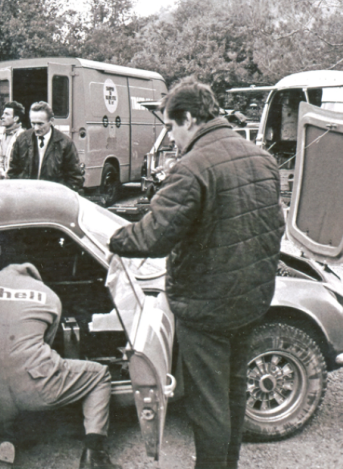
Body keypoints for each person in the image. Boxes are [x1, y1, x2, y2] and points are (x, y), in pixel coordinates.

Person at [108, 79, 286, 469]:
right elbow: (276, 228)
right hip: (250, 300)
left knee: (208, 409)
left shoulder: (192, 166)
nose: (171, 137)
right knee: (233, 395)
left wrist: (114, 236)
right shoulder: (261, 157)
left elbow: (155, 236)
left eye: (171, 127)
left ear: (188, 119)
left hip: (206, 308)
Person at [0, 263, 119, 469]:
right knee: (99, 375)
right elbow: (47, 342)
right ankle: (93, 454)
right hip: (36, 383)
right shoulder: (47, 294)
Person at [7, 101, 83, 191]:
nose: (36, 128)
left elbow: (75, 178)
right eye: (33, 123)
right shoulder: (21, 140)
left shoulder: (65, 143)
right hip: (27, 196)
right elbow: (13, 172)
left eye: (40, 124)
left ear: (51, 121)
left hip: (53, 199)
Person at [0, 101, 26, 179]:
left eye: (7, 114)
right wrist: (0, 170)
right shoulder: (5, 135)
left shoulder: (22, 136)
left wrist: (6, 175)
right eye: (3, 113)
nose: (2, 116)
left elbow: (20, 166)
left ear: (16, 118)